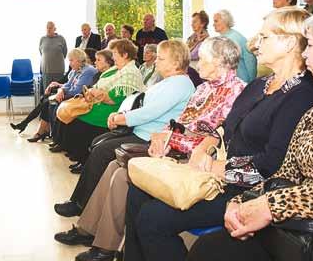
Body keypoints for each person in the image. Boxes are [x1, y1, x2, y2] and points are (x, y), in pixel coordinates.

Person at [124, 7, 313, 261]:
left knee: (152, 219)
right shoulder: (259, 85)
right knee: (137, 190)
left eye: (265, 37)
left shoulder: (303, 96)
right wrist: (205, 147)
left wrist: (216, 167)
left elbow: (272, 164)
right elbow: (224, 127)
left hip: (250, 189)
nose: (256, 43)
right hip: (218, 175)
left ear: (289, 43)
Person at [188, 3, 313, 261]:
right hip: (299, 232)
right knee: (209, 249)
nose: (304, 53)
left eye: (311, 45)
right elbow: (286, 171)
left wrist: (270, 206)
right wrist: (243, 200)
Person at [54, 37, 246, 261]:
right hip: (169, 147)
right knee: (113, 167)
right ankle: (90, 230)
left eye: (202, 59)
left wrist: (167, 139)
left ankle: (105, 246)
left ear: (220, 61)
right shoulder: (204, 88)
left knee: (121, 174)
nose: (197, 63)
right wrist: (162, 135)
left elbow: (213, 136)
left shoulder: (236, 91)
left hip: (189, 159)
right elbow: (180, 122)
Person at [53, 39, 195, 217]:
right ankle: (83, 203)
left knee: (101, 151)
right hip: (141, 132)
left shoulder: (179, 84)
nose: (156, 61)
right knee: (98, 144)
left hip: (150, 138)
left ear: (175, 62)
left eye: (161, 58)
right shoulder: (170, 82)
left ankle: (80, 204)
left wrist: (120, 118)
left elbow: (149, 112)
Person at [53, 39, 145, 172]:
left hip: (115, 110)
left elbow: (113, 99)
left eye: (115, 53)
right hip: (104, 104)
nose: (113, 57)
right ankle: (81, 159)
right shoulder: (119, 69)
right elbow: (100, 88)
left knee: (80, 120)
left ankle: (85, 162)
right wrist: (93, 92)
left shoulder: (130, 72)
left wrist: (96, 93)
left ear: (125, 55)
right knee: (76, 118)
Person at [10, 48, 97, 141]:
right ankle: (40, 130)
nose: (70, 63)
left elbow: (76, 91)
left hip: (77, 98)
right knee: (46, 100)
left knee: (47, 102)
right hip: (70, 94)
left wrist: (61, 90)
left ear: (79, 59)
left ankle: (38, 130)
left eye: (71, 60)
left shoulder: (88, 71)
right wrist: (60, 90)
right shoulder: (77, 69)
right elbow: (68, 85)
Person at [49, 49, 115, 151]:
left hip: (88, 100)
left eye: (98, 60)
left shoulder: (90, 71)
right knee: (52, 104)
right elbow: (71, 85)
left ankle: (67, 146)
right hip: (85, 98)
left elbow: (79, 90)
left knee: (63, 108)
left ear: (108, 62)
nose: (94, 62)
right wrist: (61, 89)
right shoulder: (96, 73)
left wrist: (63, 92)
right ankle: (58, 140)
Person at [213, 9, 257, 83]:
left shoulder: (234, 38)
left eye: (216, 21)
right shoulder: (223, 38)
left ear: (225, 21)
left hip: (240, 81)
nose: (213, 24)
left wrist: (251, 83)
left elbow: (251, 61)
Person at [39, 21, 67, 89]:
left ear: (55, 29)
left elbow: (65, 52)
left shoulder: (61, 38)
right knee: (47, 92)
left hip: (58, 71)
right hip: (46, 72)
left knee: (58, 92)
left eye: (50, 28)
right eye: (47, 28)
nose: (48, 29)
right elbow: (41, 53)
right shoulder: (42, 39)